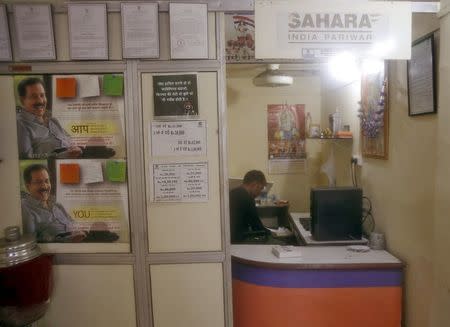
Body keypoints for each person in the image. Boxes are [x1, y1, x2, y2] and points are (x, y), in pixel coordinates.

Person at [16, 77, 83, 159]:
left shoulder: (52, 120)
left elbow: (69, 139)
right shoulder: (20, 124)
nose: (40, 101)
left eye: (42, 95)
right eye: (34, 97)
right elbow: (26, 158)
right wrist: (61, 156)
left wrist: (75, 148)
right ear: (22, 100)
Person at [21, 164, 85, 242]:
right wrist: (67, 240)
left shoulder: (57, 204)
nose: (44, 186)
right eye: (38, 182)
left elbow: (72, 222)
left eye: (47, 181)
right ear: (28, 186)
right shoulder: (25, 208)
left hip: (80, 242)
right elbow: (31, 241)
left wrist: (79, 229)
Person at [229, 170, 269, 243]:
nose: (260, 193)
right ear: (254, 185)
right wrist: (272, 234)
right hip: (239, 240)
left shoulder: (232, 192)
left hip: (230, 238)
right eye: (260, 188)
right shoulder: (247, 199)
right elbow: (257, 227)